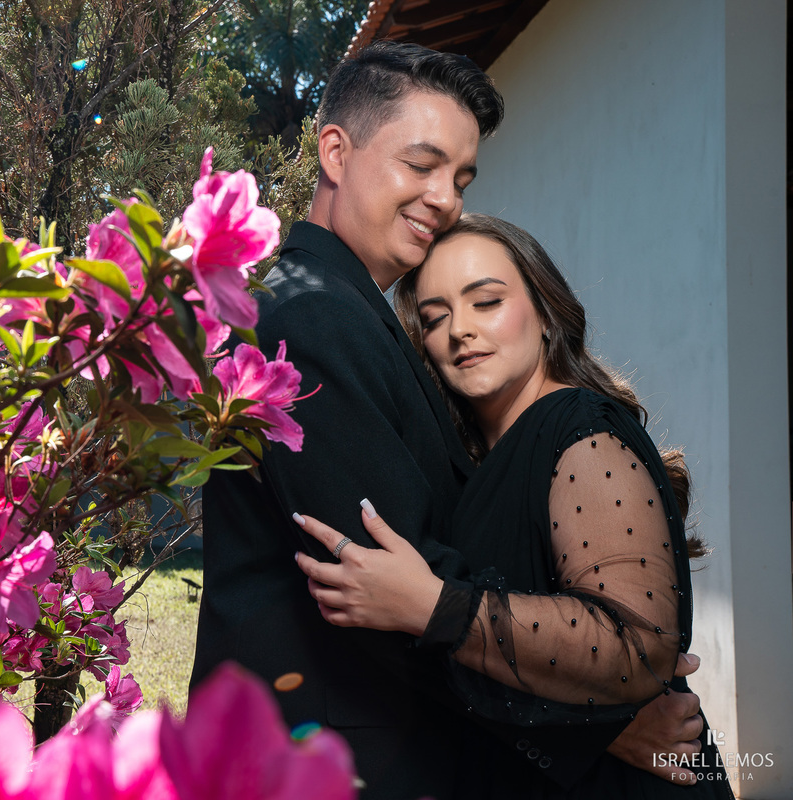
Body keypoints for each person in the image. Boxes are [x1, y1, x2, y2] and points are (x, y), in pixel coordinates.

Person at [190, 41, 708, 799]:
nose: (445, 198)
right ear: (336, 151)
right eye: (421, 165)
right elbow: (383, 586)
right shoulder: (309, 315)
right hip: (326, 759)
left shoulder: (354, 316)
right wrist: (598, 716)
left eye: (461, 178)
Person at [292, 214, 731, 797]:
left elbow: (638, 649)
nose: (460, 331)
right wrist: (592, 730)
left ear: (546, 314)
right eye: (435, 317)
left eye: (486, 301)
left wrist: (433, 606)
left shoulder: (579, 431)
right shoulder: (472, 466)